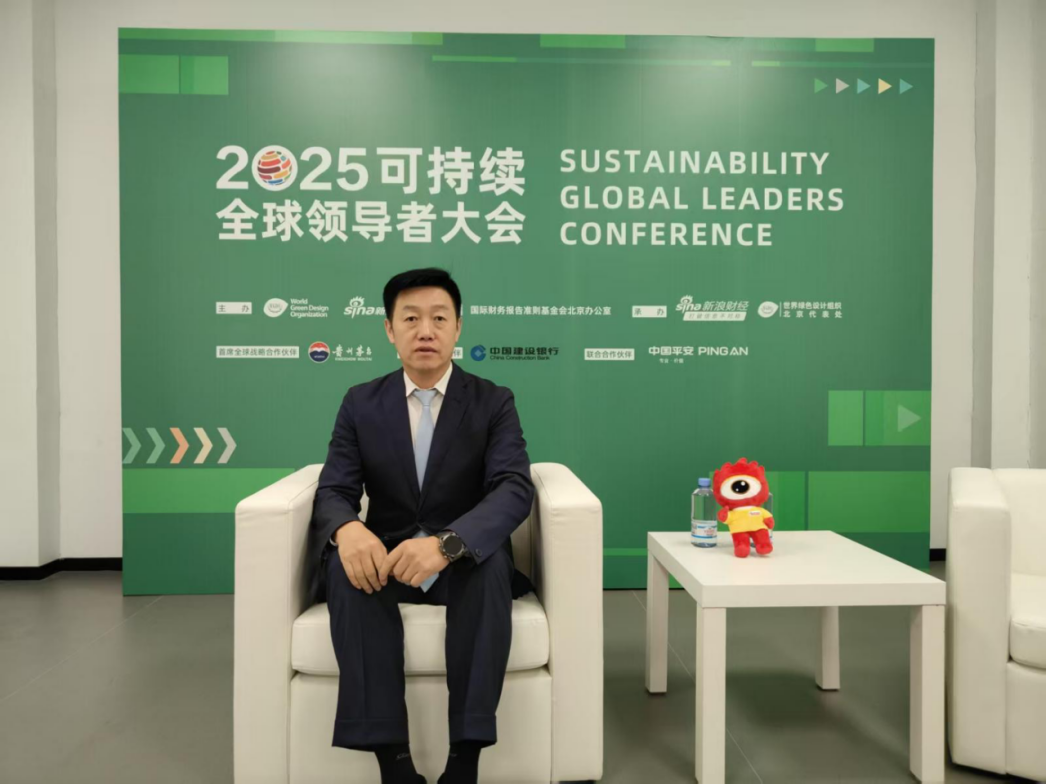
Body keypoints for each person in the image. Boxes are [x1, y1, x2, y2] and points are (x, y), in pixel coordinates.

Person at [308, 268, 535, 784]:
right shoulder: (360, 402)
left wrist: (449, 544)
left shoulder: (493, 401)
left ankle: (464, 760)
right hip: (389, 555)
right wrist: (349, 529)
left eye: (439, 318)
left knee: (489, 565)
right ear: (390, 330)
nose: (425, 331)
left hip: (461, 558)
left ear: (458, 328)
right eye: (410, 319)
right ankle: (394, 762)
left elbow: (512, 487)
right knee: (348, 568)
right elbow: (334, 488)